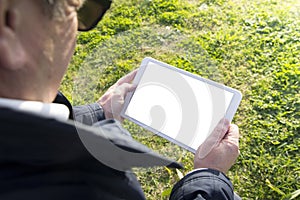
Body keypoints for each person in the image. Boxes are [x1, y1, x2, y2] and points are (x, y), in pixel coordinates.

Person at [0, 0, 240, 199]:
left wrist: (97, 114)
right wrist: (209, 176)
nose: (76, 34)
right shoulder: (91, 187)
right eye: (75, 9)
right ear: (9, 26)